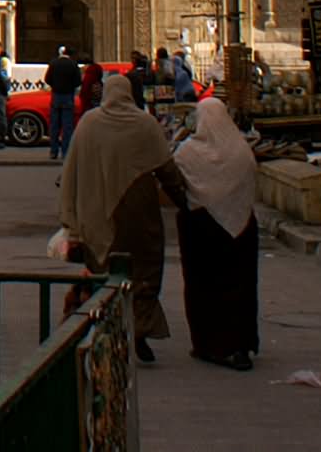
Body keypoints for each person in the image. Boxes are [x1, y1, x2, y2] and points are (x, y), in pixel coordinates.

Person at [60, 72, 189, 363]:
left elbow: (71, 168)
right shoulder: (145, 124)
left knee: (104, 273)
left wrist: (70, 217)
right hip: (139, 214)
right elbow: (167, 169)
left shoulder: (89, 123)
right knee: (142, 276)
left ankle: (106, 331)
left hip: (97, 212)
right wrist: (184, 202)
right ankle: (138, 330)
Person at [173, 97, 260, 370]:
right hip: (240, 225)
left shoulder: (188, 152)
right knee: (240, 284)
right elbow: (250, 185)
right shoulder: (241, 150)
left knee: (204, 285)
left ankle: (209, 343)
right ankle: (241, 343)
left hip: (200, 227)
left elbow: (176, 183)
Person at [45, 46, 81, 161]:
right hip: (68, 96)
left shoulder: (54, 63)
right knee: (67, 126)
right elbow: (78, 81)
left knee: (54, 125)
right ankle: (65, 152)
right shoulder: (73, 64)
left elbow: (47, 79)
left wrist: (55, 85)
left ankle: (53, 151)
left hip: (56, 95)